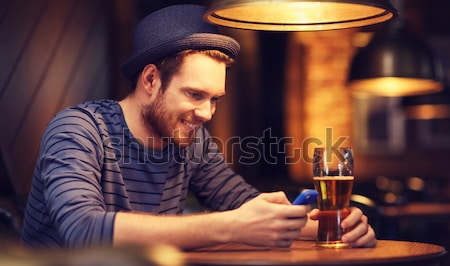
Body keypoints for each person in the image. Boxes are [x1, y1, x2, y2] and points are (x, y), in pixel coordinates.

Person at [20, 4, 376, 250]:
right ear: (150, 80)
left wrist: (337, 227)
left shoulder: (191, 142)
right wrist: (232, 225)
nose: (206, 113)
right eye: (194, 94)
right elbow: (83, 231)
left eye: (215, 98)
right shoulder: (78, 129)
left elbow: (247, 207)